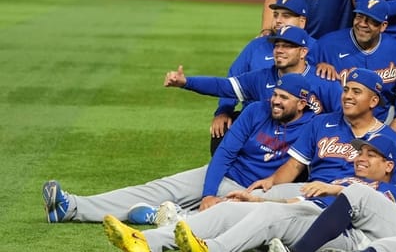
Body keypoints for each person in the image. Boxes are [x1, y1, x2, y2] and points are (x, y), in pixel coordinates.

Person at [42, 74, 315, 224]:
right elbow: (225, 152)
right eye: (275, 95)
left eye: (284, 98)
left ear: (302, 104)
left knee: (223, 217)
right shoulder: (257, 110)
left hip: (252, 191)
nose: (275, 102)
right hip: (222, 175)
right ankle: (71, 207)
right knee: (156, 189)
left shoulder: (312, 128)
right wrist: (208, 192)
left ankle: (169, 217)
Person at [102, 135, 396, 252]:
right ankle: (146, 242)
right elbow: (301, 202)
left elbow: (373, 216)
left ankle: (213, 249)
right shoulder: (344, 178)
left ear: (389, 165)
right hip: (312, 216)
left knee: (272, 215)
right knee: (229, 209)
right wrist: (257, 198)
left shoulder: (393, 192)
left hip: (347, 238)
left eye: (371, 155)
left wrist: (338, 190)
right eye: (360, 152)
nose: (360, 158)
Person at [244, 68, 396, 197]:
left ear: (373, 101)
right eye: (346, 90)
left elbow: (395, 193)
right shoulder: (320, 122)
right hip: (309, 191)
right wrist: (271, 182)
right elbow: (294, 165)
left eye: (356, 92)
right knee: (257, 196)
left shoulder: (393, 141)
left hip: (352, 202)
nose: (347, 96)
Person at [210, 0, 317, 154]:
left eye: (286, 16)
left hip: (293, 126)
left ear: (301, 22)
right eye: (275, 15)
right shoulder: (257, 46)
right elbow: (232, 82)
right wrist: (223, 111)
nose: (278, 20)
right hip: (253, 120)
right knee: (222, 129)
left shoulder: (317, 49)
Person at [164, 25, 342, 117]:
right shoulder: (262, 77)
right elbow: (223, 86)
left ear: (303, 52)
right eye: (277, 45)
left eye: (287, 46)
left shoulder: (323, 82)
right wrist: (186, 82)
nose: (279, 50)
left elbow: (345, 120)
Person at [314, 0, 396, 127]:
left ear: (383, 26)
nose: (363, 24)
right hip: (336, 123)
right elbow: (302, 75)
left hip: (381, 122)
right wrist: (316, 68)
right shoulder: (327, 45)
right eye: (359, 17)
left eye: (371, 20)